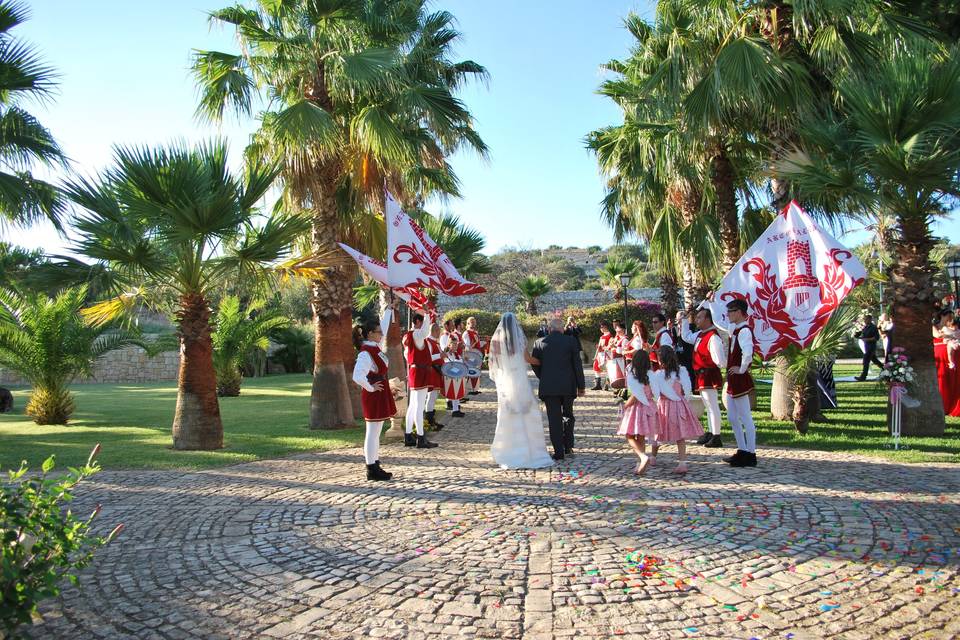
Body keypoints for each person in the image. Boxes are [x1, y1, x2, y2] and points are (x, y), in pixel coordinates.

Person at [489, 313, 554, 469]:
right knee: (527, 412)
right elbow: (528, 359)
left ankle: (508, 448)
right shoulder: (519, 339)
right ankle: (531, 449)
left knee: (508, 412)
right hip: (519, 378)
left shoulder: (496, 341)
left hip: (505, 380)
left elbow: (493, 363)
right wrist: (545, 361)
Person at [531, 317, 586, 461]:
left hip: (549, 387)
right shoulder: (571, 341)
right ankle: (568, 445)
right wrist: (581, 386)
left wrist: (543, 376)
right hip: (568, 385)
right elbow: (577, 365)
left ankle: (558, 451)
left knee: (554, 419)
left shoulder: (539, 343)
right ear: (562, 329)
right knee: (568, 414)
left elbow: (535, 364)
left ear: (549, 329)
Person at [351, 313, 396, 481]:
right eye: (378, 332)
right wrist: (370, 387)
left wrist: (389, 311)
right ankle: (371, 468)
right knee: (372, 432)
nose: (381, 334)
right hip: (373, 395)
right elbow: (357, 376)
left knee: (376, 432)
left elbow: (383, 326)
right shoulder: (365, 353)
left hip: (379, 392)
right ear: (370, 334)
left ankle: (375, 463)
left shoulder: (374, 347)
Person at [652, 345, 703, 474]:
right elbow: (687, 389)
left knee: (658, 431)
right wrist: (682, 399)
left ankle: (653, 457)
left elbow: (656, 393)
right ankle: (682, 462)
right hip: (679, 404)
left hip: (664, 406)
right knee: (680, 435)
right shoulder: (682, 371)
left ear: (660, 360)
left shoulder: (658, 375)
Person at [681, 307, 726, 448]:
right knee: (707, 405)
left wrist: (712, 366)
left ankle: (716, 435)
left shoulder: (713, 337)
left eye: (700, 317)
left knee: (712, 405)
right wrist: (683, 321)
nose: (697, 320)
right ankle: (711, 432)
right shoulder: (701, 334)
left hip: (708, 374)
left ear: (707, 319)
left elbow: (719, 360)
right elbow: (686, 336)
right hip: (701, 374)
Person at [722, 299, 757, 467]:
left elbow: (748, 352)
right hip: (733, 378)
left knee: (745, 416)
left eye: (731, 311)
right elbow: (720, 322)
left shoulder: (744, 331)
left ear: (738, 312)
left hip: (739, 378)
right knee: (732, 416)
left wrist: (742, 369)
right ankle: (742, 449)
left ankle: (750, 453)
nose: (728, 314)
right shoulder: (734, 329)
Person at [618, 350, 660, 475]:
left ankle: (642, 457)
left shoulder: (633, 375)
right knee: (641, 435)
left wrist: (625, 406)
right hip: (649, 406)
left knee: (629, 435)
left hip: (637, 408)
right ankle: (640, 463)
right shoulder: (651, 375)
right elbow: (654, 392)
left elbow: (636, 395)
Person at [402, 313, 439, 448]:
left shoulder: (408, 336)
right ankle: (421, 437)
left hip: (414, 370)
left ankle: (408, 436)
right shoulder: (417, 335)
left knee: (413, 405)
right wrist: (427, 313)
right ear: (418, 322)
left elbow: (407, 356)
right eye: (423, 322)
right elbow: (424, 332)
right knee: (418, 406)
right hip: (419, 371)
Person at [934, 309, 960, 417]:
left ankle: (954, 405)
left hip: (955, 353)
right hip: (940, 354)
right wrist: (951, 336)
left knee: (954, 380)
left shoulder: (952, 326)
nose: (950, 319)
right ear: (942, 316)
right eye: (949, 316)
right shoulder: (935, 326)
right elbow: (937, 336)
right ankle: (943, 405)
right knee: (943, 380)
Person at [424, 324, 445, 431]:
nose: (439, 333)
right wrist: (439, 356)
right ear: (434, 330)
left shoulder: (435, 342)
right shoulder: (428, 342)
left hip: (437, 371)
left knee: (434, 396)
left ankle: (431, 420)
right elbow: (427, 358)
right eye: (438, 331)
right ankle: (429, 421)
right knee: (431, 396)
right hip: (432, 371)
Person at [441, 333, 468, 418]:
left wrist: (463, 359)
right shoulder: (447, 354)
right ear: (449, 345)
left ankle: (456, 409)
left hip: (457, 376)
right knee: (454, 393)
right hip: (450, 377)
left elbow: (461, 363)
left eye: (457, 344)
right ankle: (455, 410)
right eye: (454, 344)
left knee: (457, 393)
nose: (456, 346)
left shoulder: (457, 354)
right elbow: (446, 365)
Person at [854, 314, 883, 381]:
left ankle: (863, 377)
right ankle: (886, 370)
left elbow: (876, 338)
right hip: (866, 346)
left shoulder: (873, 327)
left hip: (871, 347)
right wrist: (856, 334)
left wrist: (867, 339)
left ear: (870, 319)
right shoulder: (865, 327)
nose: (865, 320)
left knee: (866, 361)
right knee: (875, 360)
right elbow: (862, 335)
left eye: (866, 319)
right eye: (864, 319)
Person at [463, 316, 485, 395]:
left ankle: (475, 389)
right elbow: (467, 346)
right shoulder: (466, 333)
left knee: (477, 371)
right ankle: (469, 389)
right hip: (471, 355)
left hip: (477, 354)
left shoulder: (475, 332)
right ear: (468, 323)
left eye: (474, 322)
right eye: (472, 322)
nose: (473, 323)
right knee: (471, 371)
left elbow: (477, 343)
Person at [592, 321, 614, 390]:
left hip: (607, 354)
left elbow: (610, 346)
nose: (600, 329)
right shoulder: (602, 336)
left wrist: (606, 348)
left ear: (605, 327)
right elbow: (599, 347)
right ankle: (598, 384)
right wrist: (595, 356)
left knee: (607, 369)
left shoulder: (610, 335)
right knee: (596, 368)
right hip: (600, 355)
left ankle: (606, 385)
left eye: (601, 327)